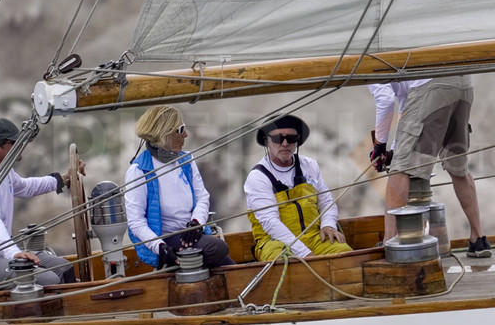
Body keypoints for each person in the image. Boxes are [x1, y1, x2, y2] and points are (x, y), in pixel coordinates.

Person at [0, 117, 79, 288]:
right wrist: (14, 253)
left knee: (64, 268)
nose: (21, 146)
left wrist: (63, 180)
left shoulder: (2, 170)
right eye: (14, 142)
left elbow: (25, 187)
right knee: (49, 280)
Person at [369, 76, 491, 257]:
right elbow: (408, 107)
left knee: (399, 170)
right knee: (458, 166)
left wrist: (379, 145)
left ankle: (389, 241)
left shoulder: (361, 60)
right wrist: (394, 149)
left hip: (431, 84)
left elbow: (386, 100)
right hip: (464, 82)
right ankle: (478, 239)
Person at [125, 105, 234, 269]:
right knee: (218, 248)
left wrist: (196, 223)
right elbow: (136, 221)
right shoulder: (139, 170)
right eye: (180, 129)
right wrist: (160, 248)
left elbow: (202, 197)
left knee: (230, 266)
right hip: (166, 242)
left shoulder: (187, 160)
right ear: (164, 133)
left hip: (193, 235)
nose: (185, 135)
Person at [244, 114, 353, 262]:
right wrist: (305, 255)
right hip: (274, 242)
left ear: (297, 142)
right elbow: (270, 222)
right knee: (284, 264)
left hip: (314, 237)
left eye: (291, 138)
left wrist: (328, 224)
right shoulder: (257, 177)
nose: (284, 143)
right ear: (266, 141)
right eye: (277, 139)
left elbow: (326, 202)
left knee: (345, 256)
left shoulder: (310, 165)